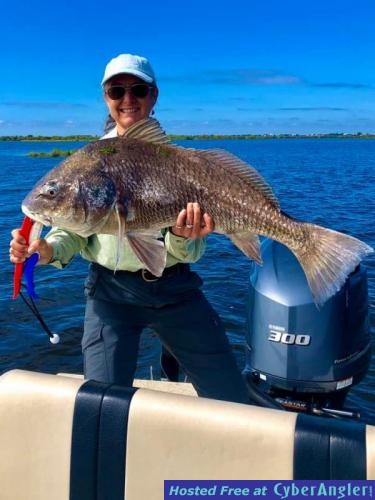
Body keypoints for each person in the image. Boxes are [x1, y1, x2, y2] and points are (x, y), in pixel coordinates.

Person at [9, 53, 250, 404]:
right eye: (116, 91)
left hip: (176, 290)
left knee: (230, 397)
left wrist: (183, 239)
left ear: (153, 96)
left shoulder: (174, 160)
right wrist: (45, 250)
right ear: (105, 98)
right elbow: (75, 229)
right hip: (111, 295)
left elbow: (190, 250)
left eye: (138, 89)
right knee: (102, 404)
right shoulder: (90, 161)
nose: (127, 99)